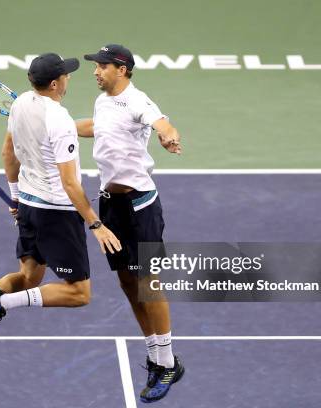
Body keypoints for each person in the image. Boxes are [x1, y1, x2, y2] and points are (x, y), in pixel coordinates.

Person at [0, 53, 121, 345]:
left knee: (28, 277)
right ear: (54, 83)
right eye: (66, 74)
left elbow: (8, 153)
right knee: (78, 293)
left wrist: (16, 199)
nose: (69, 77)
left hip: (29, 205)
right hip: (57, 213)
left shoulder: (21, 102)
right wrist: (96, 224)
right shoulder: (60, 120)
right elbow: (70, 182)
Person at [77, 44, 184, 403]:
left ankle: (168, 362)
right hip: (111, 206)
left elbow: (161, 122)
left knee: (147, 284)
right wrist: (56, 127)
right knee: (127, 282)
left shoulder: (138, 100)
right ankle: (156, 356)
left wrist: (168, 134)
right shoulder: (103, 101)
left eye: (102, 66)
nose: (96, 71)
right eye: (96, 66)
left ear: (121, 69)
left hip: (139, 207)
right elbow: (98, 126)